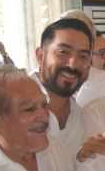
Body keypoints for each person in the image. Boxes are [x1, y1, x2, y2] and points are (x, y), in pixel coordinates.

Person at [30, 18, 97, 155]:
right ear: (41, 56)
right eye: (63, 52)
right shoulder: (8, 106)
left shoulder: (81, 117)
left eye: (83, 56)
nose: (73, 64)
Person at [58, 10, 105, 107]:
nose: (77, 44)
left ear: (93, 43)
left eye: (85, 37)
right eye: (69, 38)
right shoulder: (40, 88)